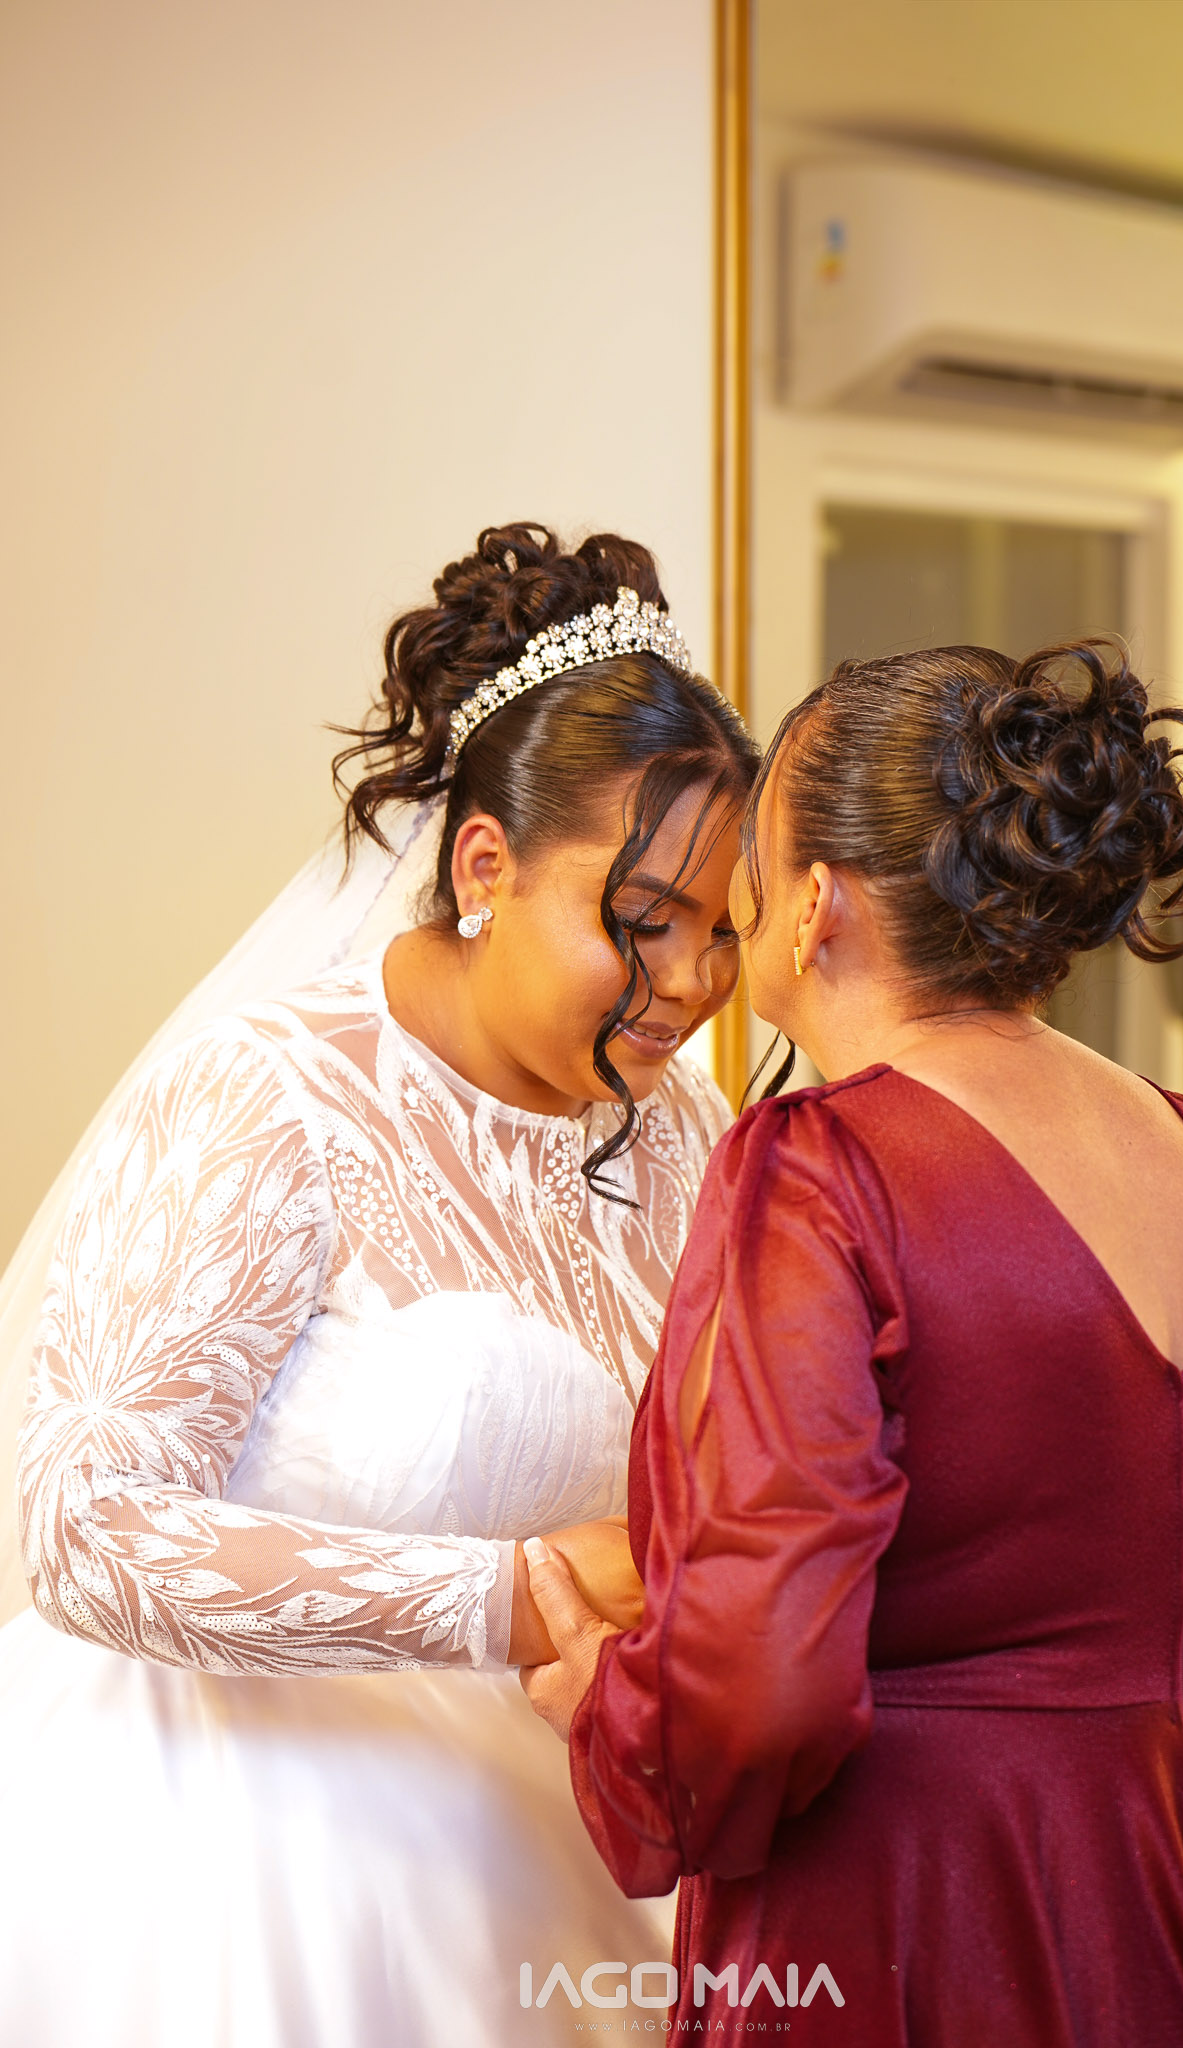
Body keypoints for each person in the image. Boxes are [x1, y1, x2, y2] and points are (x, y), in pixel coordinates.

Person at [523, 639, 1183, 2047]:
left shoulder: (817, 1169)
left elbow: (761, 1683)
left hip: (928, 1914)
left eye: (754, 863)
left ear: (816, 904)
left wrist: (610, 1718)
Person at [0, 522, 757, 2045]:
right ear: (484, 867)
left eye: (721, 929)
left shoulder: (692, 1131)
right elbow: (81, 1526)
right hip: (229, 1844)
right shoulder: (272, 1096)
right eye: (642, 921)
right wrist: (511, 1598)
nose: (688, 982)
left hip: (551, 1831)